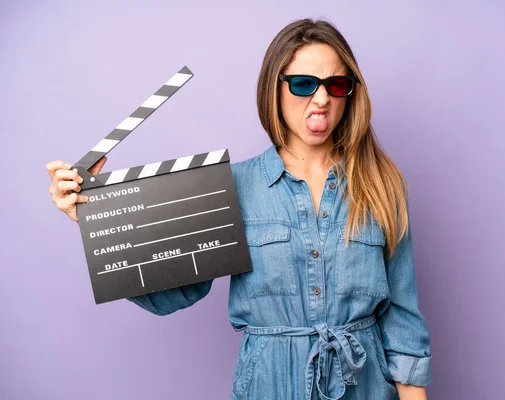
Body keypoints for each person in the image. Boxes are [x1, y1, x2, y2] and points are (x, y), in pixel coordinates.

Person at [46, 18, 432, 400]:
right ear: (274, 89)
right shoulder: (233, 187)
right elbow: (171, 292)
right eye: (302, 83)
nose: (321, 99)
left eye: (336, 84)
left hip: (364, 387)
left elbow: (403, 321)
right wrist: (91, 217)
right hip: (269, 385)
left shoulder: (382, 185)